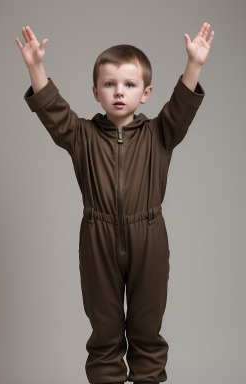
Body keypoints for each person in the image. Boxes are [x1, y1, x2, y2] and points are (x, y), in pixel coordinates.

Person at [15, 22, 214, 384]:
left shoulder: (160, 134)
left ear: (146, 92)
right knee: (104, 333)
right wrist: (35, 66)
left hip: (149, 236)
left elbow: (182, 107)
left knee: (146, 331)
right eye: (109, 84)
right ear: (95, 92)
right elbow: (54, 111)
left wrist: (194, 65)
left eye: (129, 84)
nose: (119, 92)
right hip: (97, 237)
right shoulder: (81, 136)